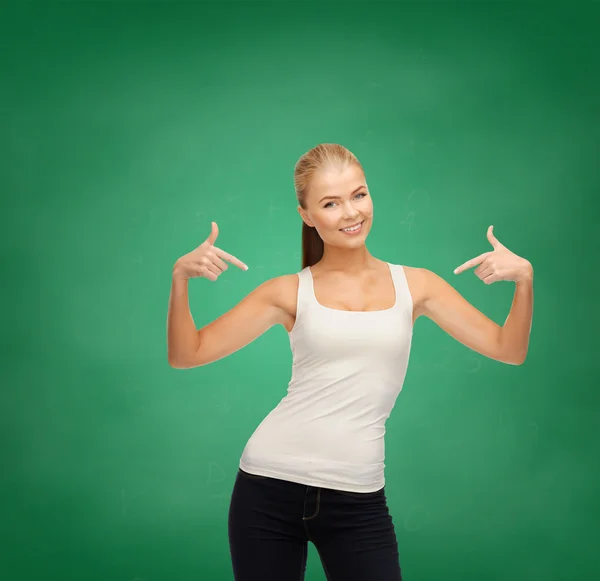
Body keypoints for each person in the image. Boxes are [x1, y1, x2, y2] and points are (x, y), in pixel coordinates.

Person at [166, 143, 534, 581]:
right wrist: (180, 279)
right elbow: (186, 354)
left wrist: (524, 280)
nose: (350, 213)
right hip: (266, 488)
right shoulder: (286, 292)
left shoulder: (417, 286)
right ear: (306, 215)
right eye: (330, 203)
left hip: (358, 498)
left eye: (358, 195)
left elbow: (508, 349)